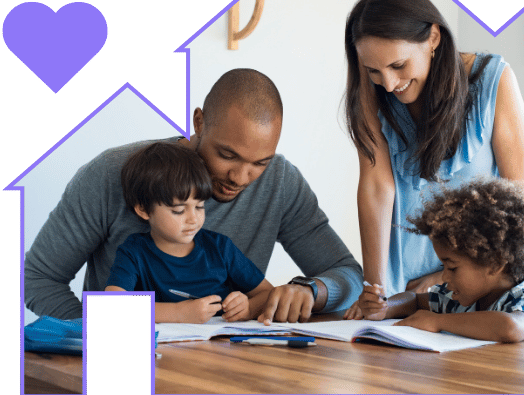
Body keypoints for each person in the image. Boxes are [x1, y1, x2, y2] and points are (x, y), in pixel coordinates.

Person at [25, 69, 363, 322]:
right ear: (199, 122)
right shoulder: (111, 174)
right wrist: (94, 336)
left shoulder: (280, 181)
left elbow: (347, 274)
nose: (240, 177)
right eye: (227, 155)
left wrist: (312, 291)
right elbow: (37, 278)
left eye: (259, 162)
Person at [342, 0, 524, 318]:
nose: (388, 83)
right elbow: (377, 187)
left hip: (482, 287)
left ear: (433, 38)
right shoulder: (372, 94)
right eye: (374, 71)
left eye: (398, 66)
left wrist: (444, 277)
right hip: (401, 292)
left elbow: (519, 203)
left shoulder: (494, 79)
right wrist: (375, 289)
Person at [358, 178, 524, 342]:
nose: (444, 277)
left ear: (494, 264)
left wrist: (437, 321)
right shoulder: (458, 299)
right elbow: (414, 300)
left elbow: (510, 328)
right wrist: (385, 308)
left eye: (452, 268)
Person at [104, 142, 274, 323]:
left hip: (220, 347)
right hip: (164, 349)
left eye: (200, 207)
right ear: (144, 210)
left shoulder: (220, 248)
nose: (193, 219)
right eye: (178, 210)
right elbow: (112, 307)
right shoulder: (134, 252)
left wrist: (248, 307)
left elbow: (268, 293)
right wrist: (179, 313)